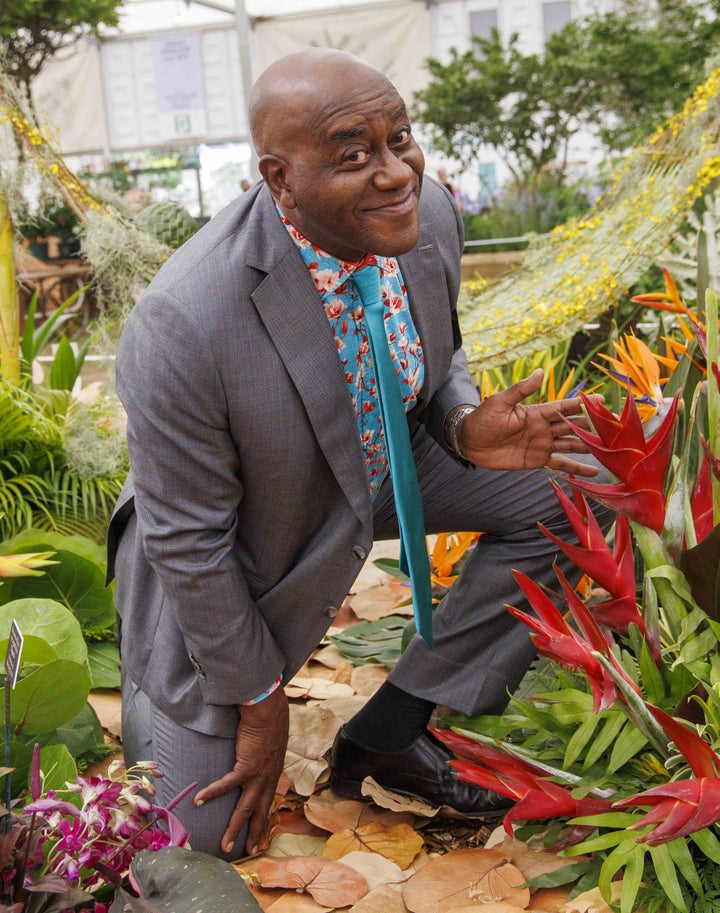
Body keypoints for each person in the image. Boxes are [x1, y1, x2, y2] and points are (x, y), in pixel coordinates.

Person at [108, 47, 608, 862]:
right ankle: (153, 696)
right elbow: (190, 543)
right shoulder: (186, 321)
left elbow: (435, 351)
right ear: (279, 177)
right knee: (203, 840)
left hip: (381, 465)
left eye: (399, 138)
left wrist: (459, 426)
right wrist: (261, 706)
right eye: (354, 154)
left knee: (579, 489)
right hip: (242, 533)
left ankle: (392, 726)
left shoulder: (425, 212)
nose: (393, 171)